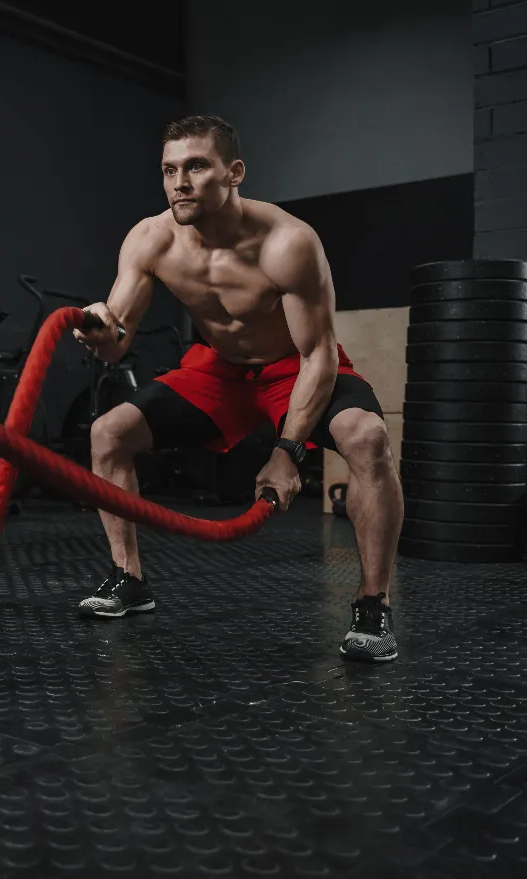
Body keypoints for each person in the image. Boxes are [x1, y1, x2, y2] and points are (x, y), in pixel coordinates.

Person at [73, 115, 402, 663]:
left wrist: (287, 453)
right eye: (169, 170)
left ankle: (374, 605)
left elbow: (317, 354)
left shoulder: (288, 242)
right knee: (109, 434)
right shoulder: (151, 239)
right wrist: (98, 330)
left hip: (292, 366)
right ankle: (129, 580)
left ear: (234, 172)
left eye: (197, 166)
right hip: (219, 370)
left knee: (368, 438)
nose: (180, 182)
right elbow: (116, 343)